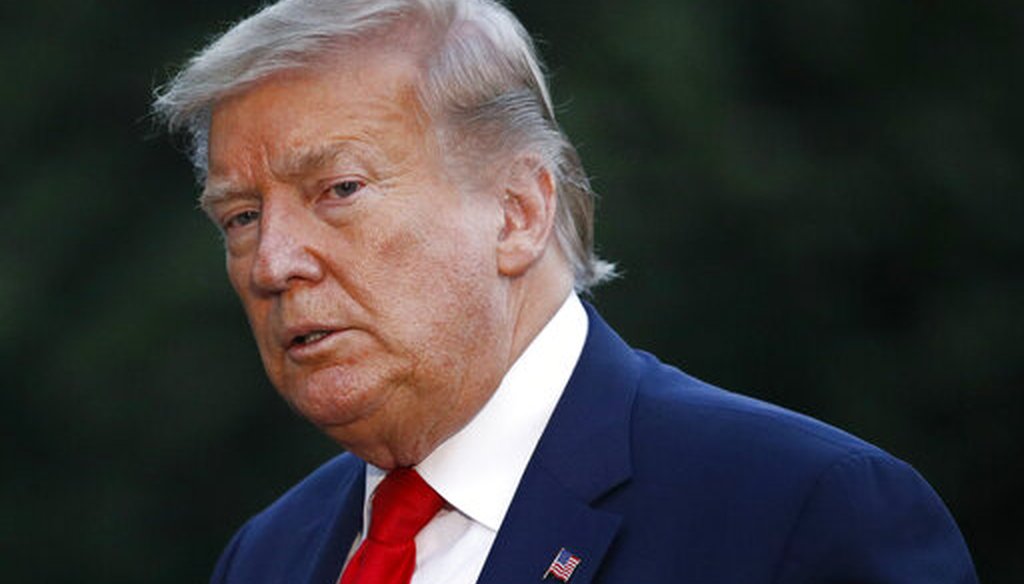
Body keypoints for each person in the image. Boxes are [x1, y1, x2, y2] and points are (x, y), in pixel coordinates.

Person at [154, 0, 978, 582]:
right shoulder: (268, 555)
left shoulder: (800, 511)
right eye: (241, 216)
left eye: (338, 190)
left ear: (517, 212)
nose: (273, 262)